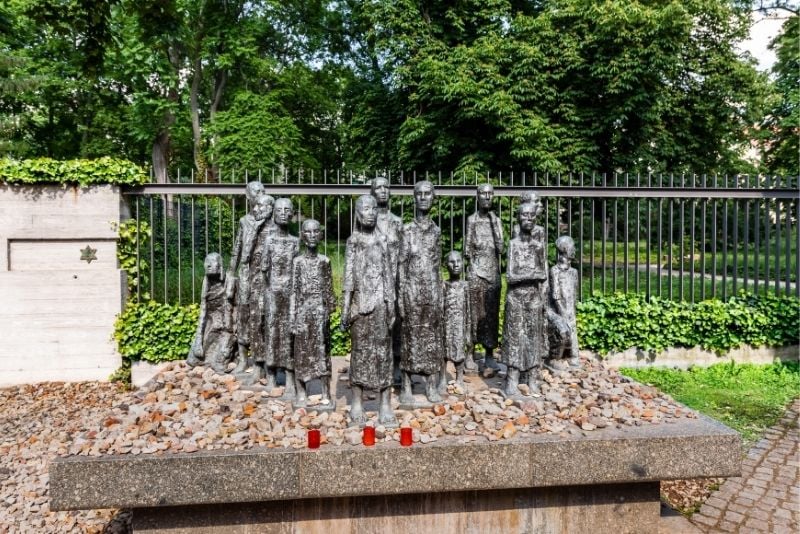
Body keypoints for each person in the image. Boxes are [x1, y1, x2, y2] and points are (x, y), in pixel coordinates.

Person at [341, 195, 397, 427]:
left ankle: (385, 403)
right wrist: (345, 307)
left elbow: (389, 274)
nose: (371, 212)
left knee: (384, 353)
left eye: (374, 208)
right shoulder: (353, 241)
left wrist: (392, 303)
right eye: (365, 209)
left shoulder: (383, 240)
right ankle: (357, 402)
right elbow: (348, 276)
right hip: (359, 305)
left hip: (381, 305)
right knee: (360, 353)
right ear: (357, 213)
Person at [398, 180, 444, 404]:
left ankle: (430, 385)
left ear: (433, 198)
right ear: (414, 198)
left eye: (428, 194)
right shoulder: (406, 230)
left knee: (431, 338)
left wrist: (439, 294)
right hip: (411, 292)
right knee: (410, 337)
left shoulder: (436, 231)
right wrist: (401, 296)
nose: (424, 197)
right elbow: (401, 265)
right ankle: (406, 384)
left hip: (431, 292)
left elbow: (438, 265)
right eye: (420, 194)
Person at [502, 202, 549, 397]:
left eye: (532, 216)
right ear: (518, 218)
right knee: (514, 338)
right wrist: (530, 274)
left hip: (533, 299)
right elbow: (510, 276)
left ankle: (532, 378)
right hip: (515, 298)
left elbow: (543, 274)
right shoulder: (513, 245)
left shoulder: (539, 246)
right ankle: (512, 379)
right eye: (524, 215)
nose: (528, 219)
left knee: (533, 338)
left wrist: (527, 274)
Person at [290, 219, 336, 407]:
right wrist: (292, 317)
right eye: (307, 232)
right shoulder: (297, 262)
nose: (311, 236)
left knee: (322, 352)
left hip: (319, 313)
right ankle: (301, 391)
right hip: (302, 312)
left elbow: (329, 290)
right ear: (302, 235)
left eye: (315, 232)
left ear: (321, 235)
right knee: (301, 352)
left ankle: (325, 392)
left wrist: (329, 311)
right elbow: (293, 291)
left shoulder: (325, 261)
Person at [228, 182, 271, 375]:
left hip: (264, 277)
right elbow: (237, 248)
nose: (261, 194)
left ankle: (263, 363)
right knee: (244, 314)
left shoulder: (272, 220)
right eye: (257, 191)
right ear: (249, 197)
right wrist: (230, 272)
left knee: (262, 317)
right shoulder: (244, 221)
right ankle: (244, 359)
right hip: (246, 273)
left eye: (263, 191)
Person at [259, 198, 300, 394]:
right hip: (273, 295)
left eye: (287, 210)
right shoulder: (269, 240)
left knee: (289, 335)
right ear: (274, 213)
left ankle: (291, 376)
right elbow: (264, 270)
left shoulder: (295, 242)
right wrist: (265, 297)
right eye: (279, 209)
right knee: (272, 334)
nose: (283, 213)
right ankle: (271, 376)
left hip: (290, 296)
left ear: (292, 214)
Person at [465, 183, 504, 371]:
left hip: (493, 274)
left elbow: (501, 248)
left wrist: (495, 224)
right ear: (477, 197)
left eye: (490, 194)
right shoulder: (471, 220)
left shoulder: (496, 221)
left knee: (491, 315)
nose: (487, 197)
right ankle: (470, 352)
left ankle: (489, 353)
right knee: (473, 315)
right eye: (483, 194)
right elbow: (467, 250)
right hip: (476, 272)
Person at [370, 176, 403, 384]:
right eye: (378, 187)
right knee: (374, 324)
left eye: (386, 187)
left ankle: (397, 364)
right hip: (373, 282)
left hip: (395, 279)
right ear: (372, 192)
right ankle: (375, 366)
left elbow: (402, 254)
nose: (383, 190)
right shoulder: (365, 221)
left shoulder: (397, 222)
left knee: (396, 324)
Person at [187, 253, 235, 373]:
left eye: (211, 261)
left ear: (220, 265)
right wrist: (199, 340)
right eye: (206, 261)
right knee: (193, 359)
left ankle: (221, 358)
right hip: (212, 321)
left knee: (219, 360)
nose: (207, 265)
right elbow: (203, 311)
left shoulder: (230, 280)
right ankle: (209, 360)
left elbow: (235, 309)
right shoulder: (206, 281)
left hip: (228, 325)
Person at [439, 250, 471, 393]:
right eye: (452, 262)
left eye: (458, 261)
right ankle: (441, 379)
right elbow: (440, 309)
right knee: (443, 352)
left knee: (459, 351)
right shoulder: (443, 285)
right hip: (446, 325)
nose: (456, 265)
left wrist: (469, 331)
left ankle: (459, 378)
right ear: (446, 265)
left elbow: (469, 311)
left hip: (460, 324)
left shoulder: (465, 285)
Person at [548, 235, 581, 370]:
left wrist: (572, 309)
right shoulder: (555, 271)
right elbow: (555, 295)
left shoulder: (574, 272)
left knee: (572, 327)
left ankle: (573, 355)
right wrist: (562, 312)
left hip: (570, 308)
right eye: (572, 247)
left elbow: (575, 292)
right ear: (566, 250)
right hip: (559, 309)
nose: (574, 250)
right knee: (565, 328)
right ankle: (557, 357)